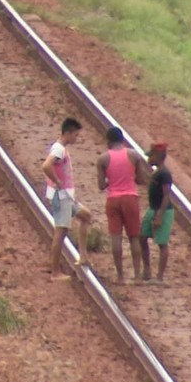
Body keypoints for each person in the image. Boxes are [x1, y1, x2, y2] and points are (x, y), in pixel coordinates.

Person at [42, 118, 92, 281]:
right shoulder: (59, 150)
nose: (76, 138)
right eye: (76, 135)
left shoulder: (60, 148)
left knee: (86, 215)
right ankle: (55, 272)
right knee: (60, 232)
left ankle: (83, 256)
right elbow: (46, 166)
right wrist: (57, 181)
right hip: (61, 197)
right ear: (68, 133)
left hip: (66, 197)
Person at [96, 126, 148, 284]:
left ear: (109, 141)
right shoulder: (133, 155)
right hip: (130, 198)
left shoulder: (103, 159)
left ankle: (120, 277)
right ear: (122, 140)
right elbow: (141, 180)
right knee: (133, 237)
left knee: (116, 237)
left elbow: (101, 185)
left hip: (113, 199)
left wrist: (110, 180)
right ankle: (137, 276)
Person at [140, 143, 174, 283]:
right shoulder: (157, 172)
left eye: (151, 155)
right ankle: (147, 270)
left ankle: (159, 277)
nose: (148, 158)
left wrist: (159, 215)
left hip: (162, 211)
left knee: (162, 243)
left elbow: (166, 195)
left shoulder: (165, 174)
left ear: (158, 156)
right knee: (142, 237)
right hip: (153, 208)